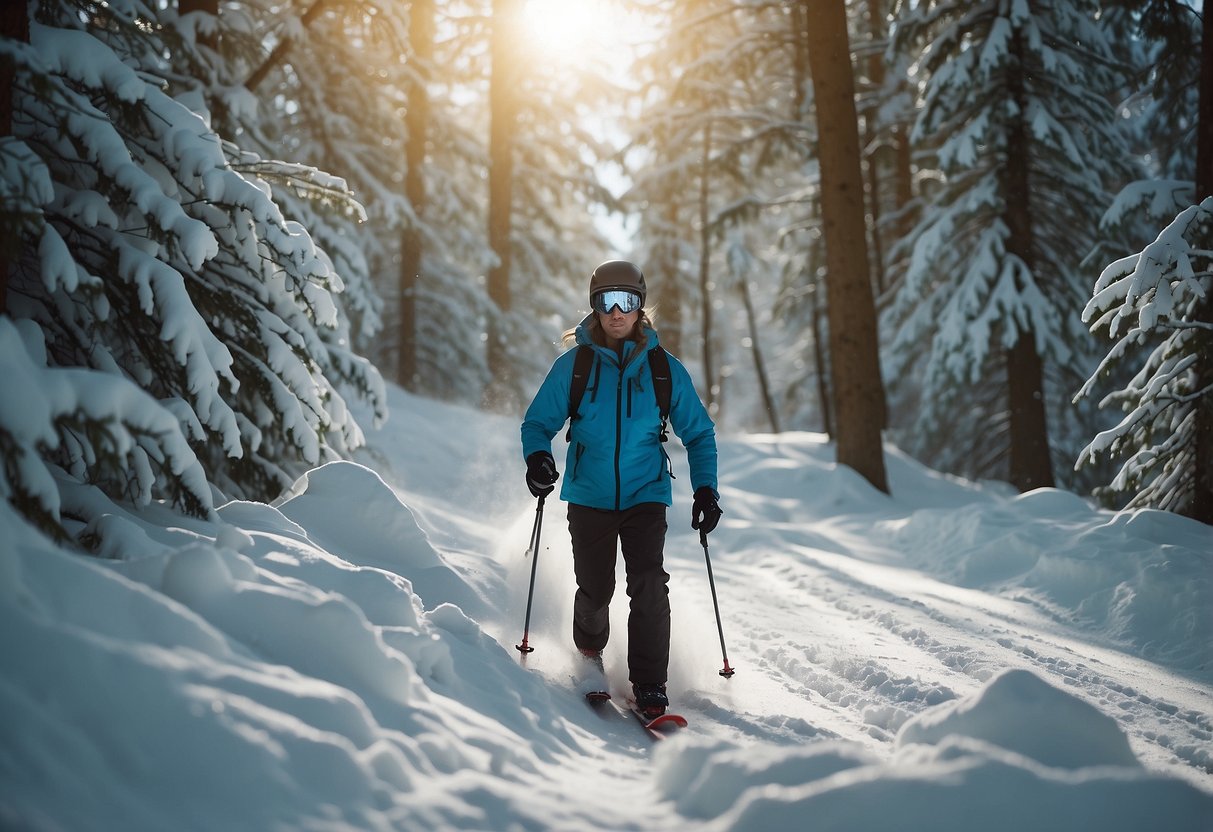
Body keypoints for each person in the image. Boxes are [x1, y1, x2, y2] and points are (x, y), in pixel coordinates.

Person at [520, 260, 722, 717]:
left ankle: (650, 683)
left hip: (645, 494)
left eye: (626, 301)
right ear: (594, 306)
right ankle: (590, 658)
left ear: (639, 306)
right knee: (595, 589)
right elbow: (538, 423)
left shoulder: (663, 370)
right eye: (605, 301)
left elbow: (700, 433)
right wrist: (538, 458)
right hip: (588, 495)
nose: (616, 312)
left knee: (649, 583)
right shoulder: (575, 366)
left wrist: (706, 490)